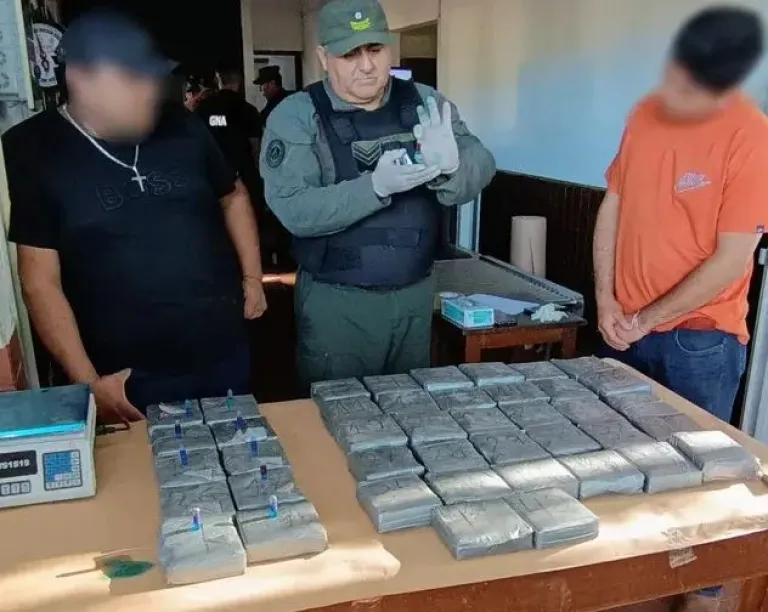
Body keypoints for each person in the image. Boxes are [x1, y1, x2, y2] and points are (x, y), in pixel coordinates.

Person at [5, 9, 267, 424]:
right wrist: (89, 382)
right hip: (125, 377)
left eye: (151, 77)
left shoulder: (183, 125)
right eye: (132, 79)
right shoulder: (33, 149)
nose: (149, 91)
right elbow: (40, 282)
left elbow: (232, 195)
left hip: (222, 350)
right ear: (80, 78)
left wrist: (252, 277)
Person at [594, 9, 765, 610]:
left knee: (698, 482)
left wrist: (646, 317)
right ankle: (627, 586)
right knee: (622, 467)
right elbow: (612, 206)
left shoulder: (749, 134)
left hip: (701, 340)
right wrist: (605, 298)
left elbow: (731, 258)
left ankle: (701, 596)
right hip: (626, 331)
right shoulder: (645, 116)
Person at [260, 0, 495, 386]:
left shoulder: (425, 102)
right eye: (350, 54)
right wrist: (374, 187)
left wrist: (453, 166)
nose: (366, 65)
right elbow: (293, 208)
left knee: (410, 406)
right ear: (323, 57)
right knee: (338, 411)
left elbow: (482, 162)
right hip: (339, 304)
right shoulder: (298, 115)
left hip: (416, 296)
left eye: (375, 49)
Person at [195, 66, 263, 200]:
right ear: (238, 83)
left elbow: (196, 141)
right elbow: (255, 147)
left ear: (219, 81)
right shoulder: (247, 109)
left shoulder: (203, 108)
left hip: (211, 177)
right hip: (243, 176)